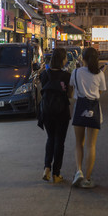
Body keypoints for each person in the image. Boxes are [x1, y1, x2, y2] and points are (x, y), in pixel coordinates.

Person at [70, 47, 107, 189]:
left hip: (80, 107)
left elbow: (71, 88)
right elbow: (101, 91)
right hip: (94, 109)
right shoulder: (100, 74)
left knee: (79, 143)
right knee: (91, 145)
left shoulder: (76, 72)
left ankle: (78, 170)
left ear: (82, 58)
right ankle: (87, 178)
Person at [39, 48, 73, 184]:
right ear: (62, 60)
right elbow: (70, 95)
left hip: (46, 111)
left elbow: (43, 91)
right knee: (60, 141)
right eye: (65, 58)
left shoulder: (44, 74)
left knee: (50, 138)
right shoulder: (66, 76)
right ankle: (56, 174)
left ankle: (47, 168)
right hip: (62, 112)